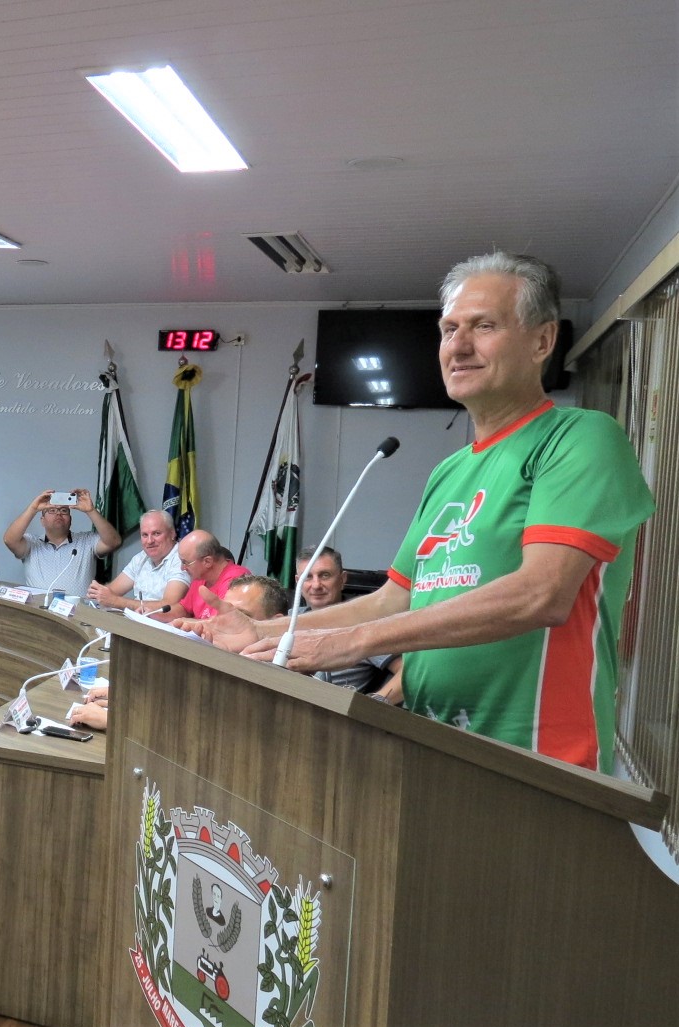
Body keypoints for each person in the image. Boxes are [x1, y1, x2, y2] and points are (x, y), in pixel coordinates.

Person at [194, 252, 654, 773]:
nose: (458, 346)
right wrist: (272, 632)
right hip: (433, 745)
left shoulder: (580, 438)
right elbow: (395, 598)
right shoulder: (449, 471)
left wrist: (350, 644)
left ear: (542, 341)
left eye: (484, 326)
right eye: (448, 328)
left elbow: (542, 594)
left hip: (539, 759)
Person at [69, 573, 287, 731]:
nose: (226, 623)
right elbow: (185, 707)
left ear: (278, 625)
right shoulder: (229, 660)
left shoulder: (281, 683)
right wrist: (126, 697)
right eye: (224, 613)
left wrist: (117, 720)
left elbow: (208, 733)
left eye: (240, 615)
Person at [293, 547, 401, 697]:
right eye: (308, 577)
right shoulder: (289, 621)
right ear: (298, 582)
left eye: (325, 575)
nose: (316, 585)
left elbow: (407, 673)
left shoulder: (364, 626)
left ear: (342, 579)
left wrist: (377, 703)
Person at [2, 488, 121, 591]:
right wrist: (33, 508)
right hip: (38, 611)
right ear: (42, 520)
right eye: (52, 510)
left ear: (70, 520)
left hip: (77, 613)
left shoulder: (87, 541)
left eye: (64, 511)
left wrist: (91, 511)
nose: (58, 514)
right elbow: (9, 540)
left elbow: (114, 542)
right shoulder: (32, 543)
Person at [86, 509, 188, 614]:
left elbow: (169, 605)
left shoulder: (182, 558)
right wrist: (97, 593)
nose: (150, 541)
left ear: (172, 533)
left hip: (166, 626)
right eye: (144, 535)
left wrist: (115, 601)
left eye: (156, 533)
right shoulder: (141, 558)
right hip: (138, 623)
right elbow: (112, 590)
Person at [169, 530, 250, 620]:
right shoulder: (200, 576)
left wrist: (183, 623)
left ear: (207, 561)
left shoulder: (238, 579)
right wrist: (153, 613)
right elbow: (184, 609)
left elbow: (220, 624)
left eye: (185, 562)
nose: (182, 568)